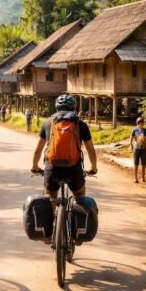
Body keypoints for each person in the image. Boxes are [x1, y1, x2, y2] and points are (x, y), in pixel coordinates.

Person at [31, 94, 98, 244]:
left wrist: (35, 167)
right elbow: (91, 150)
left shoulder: (48, 123)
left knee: (49, 198)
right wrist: (93, 168)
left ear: (56, 107)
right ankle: (77, 235)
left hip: (52, 168)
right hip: (74, 169)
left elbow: (37, 150)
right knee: (79, 196)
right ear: (74, 108)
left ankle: (47, 235)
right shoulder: (80, 124)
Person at [130, 117, 146, 184]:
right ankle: (135, 178)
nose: (141, 124)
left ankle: (143, 178)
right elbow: (131, 138)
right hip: (136, 148)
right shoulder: (134, 130)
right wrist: (131, 146)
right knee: (136, 164)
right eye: (140, 123)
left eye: (142, 123)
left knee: (143, 164)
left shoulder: (145, 130)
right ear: (137, 123)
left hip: (143, 148)